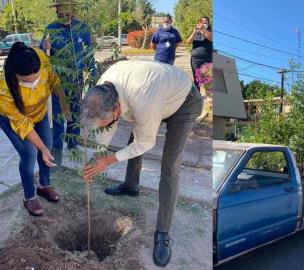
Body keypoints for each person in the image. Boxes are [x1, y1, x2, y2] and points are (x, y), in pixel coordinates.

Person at [80, 60, 203, 267]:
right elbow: (105, 128)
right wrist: (97, 157)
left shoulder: (144, 99)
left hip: (184, 102)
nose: (108, 124)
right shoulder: (102, 89)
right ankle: (131, 186)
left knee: (170, 165)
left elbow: (146, 143)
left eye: (109, 120)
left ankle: (163, 233)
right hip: (158, 92)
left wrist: (108, 161)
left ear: (117, 109)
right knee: (132, 142)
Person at [0, 42, 70, 216]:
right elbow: (22, 124)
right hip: (14, 119)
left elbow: (53, 80)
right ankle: (29, 197)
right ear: (15, 75)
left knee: (48, 147)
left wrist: (63, 100)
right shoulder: (4, 88)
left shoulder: (38, 56)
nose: (33, 83)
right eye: (26, 81)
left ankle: (44, 185)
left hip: (39, 113)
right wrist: (41, 148)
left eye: (36, 78)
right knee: (30, 153)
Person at [40, 0, 96, 164]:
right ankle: (57, 145)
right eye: (60, 14)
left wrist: (93, 72)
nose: (64, 16)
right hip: (57, 79)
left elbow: (89, 53)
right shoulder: (51, 28)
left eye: (67, 13)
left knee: (75, 111)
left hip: (76, 79)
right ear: (56, 12)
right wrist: (44, 46)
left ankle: (72, 143)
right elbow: (43, 53)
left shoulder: (82, 28)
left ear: (73, 11)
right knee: (57, 113)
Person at [186, 16, 213, 89]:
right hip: (195, 60)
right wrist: (194, 32)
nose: (203, 24)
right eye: (202, 22)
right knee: (197, 80)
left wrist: (203, 30)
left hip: (207, 59)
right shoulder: (196, 31)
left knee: (208, 80)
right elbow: (188, 42)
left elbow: (211, 38)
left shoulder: (210, 31)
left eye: (205, 22)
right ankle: (198, 97)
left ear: (208, 23)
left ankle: (209, 97)